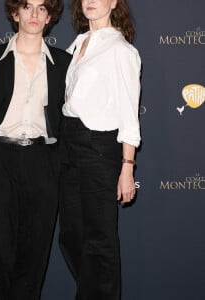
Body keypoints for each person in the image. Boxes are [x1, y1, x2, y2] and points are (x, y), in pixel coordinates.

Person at [0, 0, 71, 299]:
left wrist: (55, 166)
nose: (34, 14)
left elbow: (70, 120)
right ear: (15, 13)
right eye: (27, 6)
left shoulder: (63, 63)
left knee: (33, 258)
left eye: (41, 8)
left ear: (50, 16)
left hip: (42, 164)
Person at [58, 0, 141, 299]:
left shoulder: (121, 50)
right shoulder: (77, 44)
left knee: (99, 240)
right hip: (68, 146)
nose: (90, 1)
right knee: (70, 236)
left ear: (114, 2)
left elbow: (130, 113)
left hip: (98, 147)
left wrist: (127, 166)